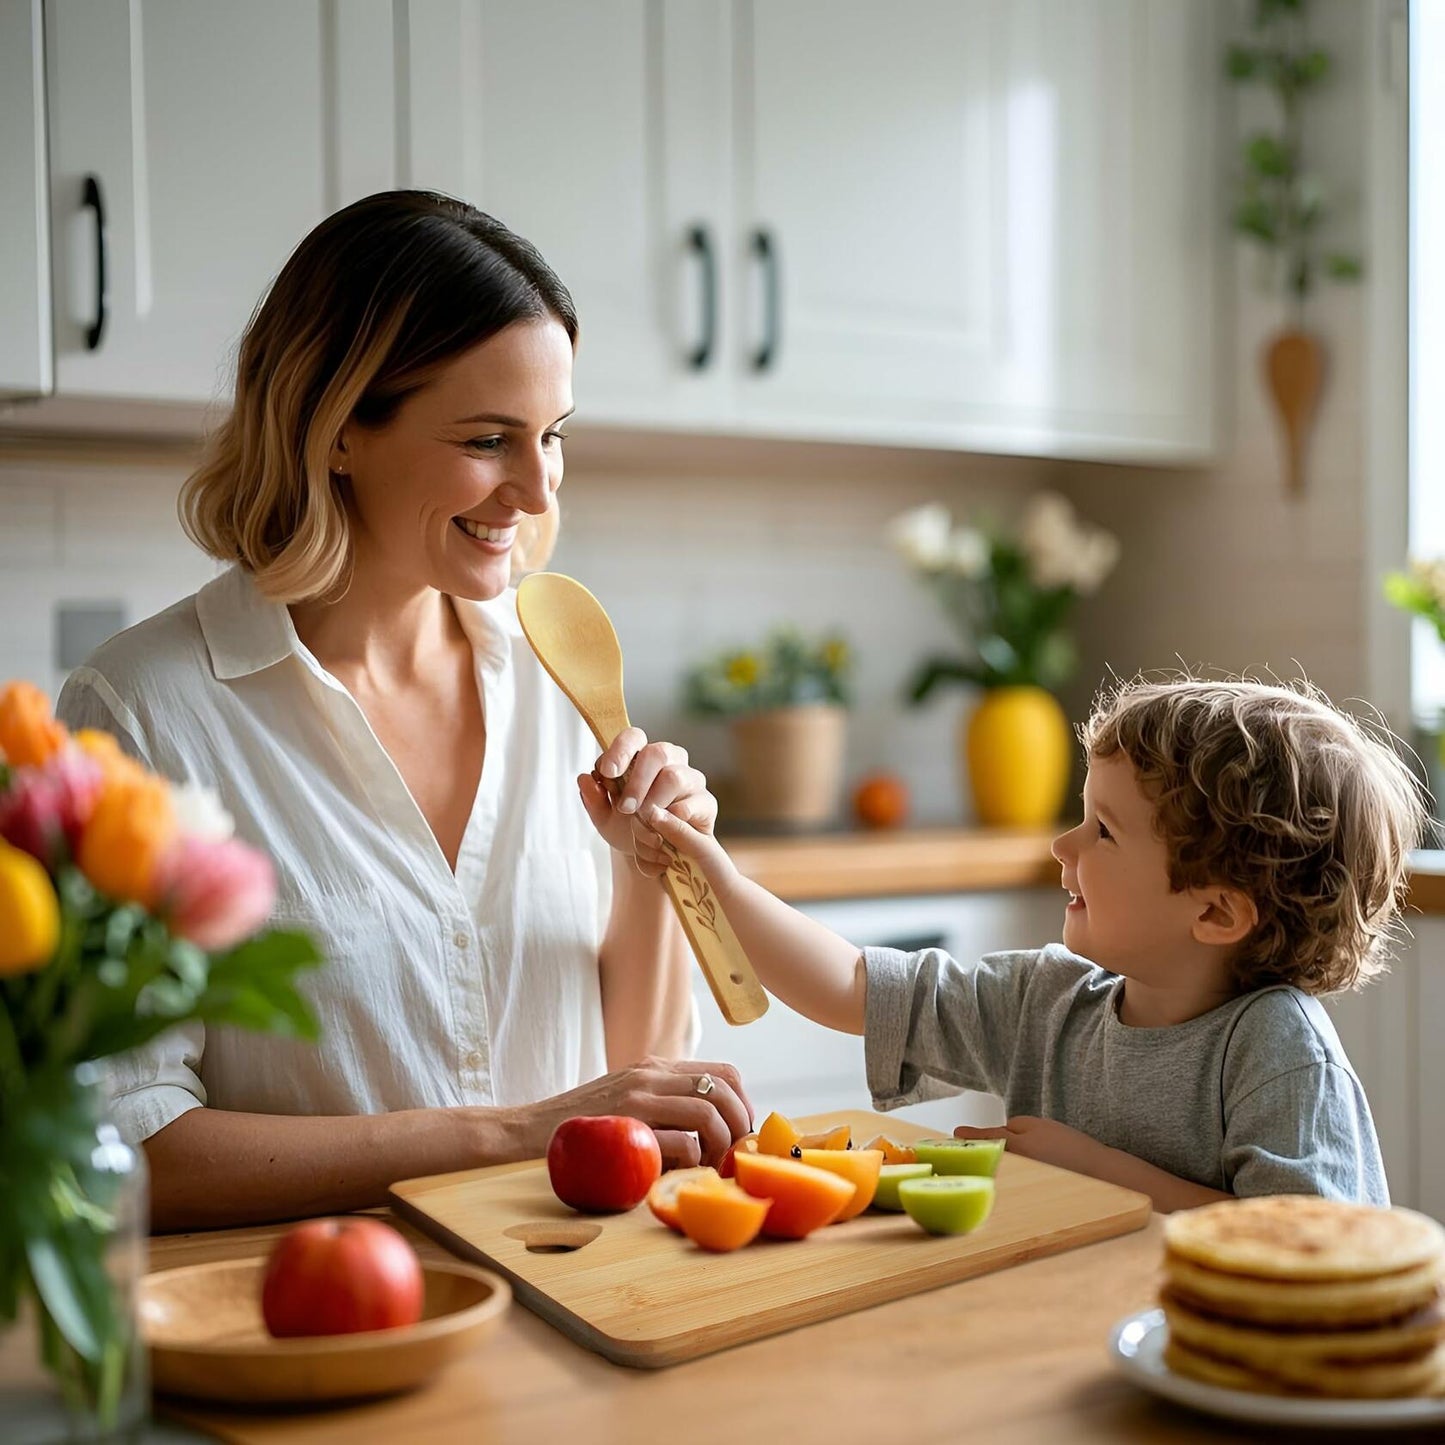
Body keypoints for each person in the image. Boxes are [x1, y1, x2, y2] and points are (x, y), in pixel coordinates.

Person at [57, 191, 751, 1231]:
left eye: (551, 436)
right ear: (338, 432)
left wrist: (654, 870)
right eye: (487, 438)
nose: (533, 488)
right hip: (316, 1330)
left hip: (579, 1306)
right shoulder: (142, 713)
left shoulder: (558, 681)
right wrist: (507, 1132)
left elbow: (628, 1088)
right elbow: (125, 1146)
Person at [646, 677, 1430, 1212]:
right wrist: (712, 870)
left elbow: (1305, 1249)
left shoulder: (1276, 1048)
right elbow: (850, 985)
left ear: (1217, 913)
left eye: (1103, 830)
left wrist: (1094, 1172)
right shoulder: (1047, 1002)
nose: (1062, 844)